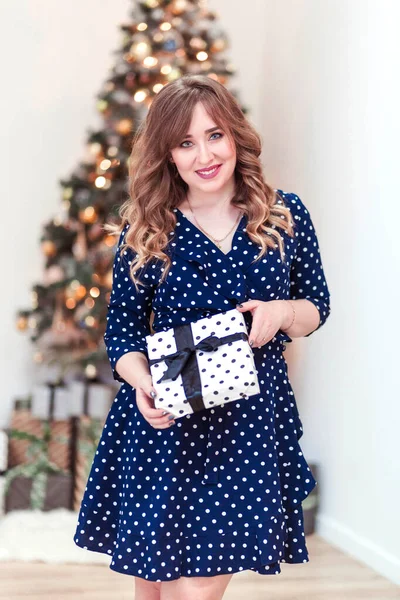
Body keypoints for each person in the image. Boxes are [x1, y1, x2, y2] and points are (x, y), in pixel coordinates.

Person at [74, 74, 331, 600]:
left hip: (247, 426)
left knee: (197, 590)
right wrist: (141, 382)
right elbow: (122, 332)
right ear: (168, 155)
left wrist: (281, 312)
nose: (204, 155)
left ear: (235, 134)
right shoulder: (147, 230)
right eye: (185, 143)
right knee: (154, 586)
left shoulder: (284, 216)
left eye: (215, 135)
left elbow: (315, 308)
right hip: (165, 426)